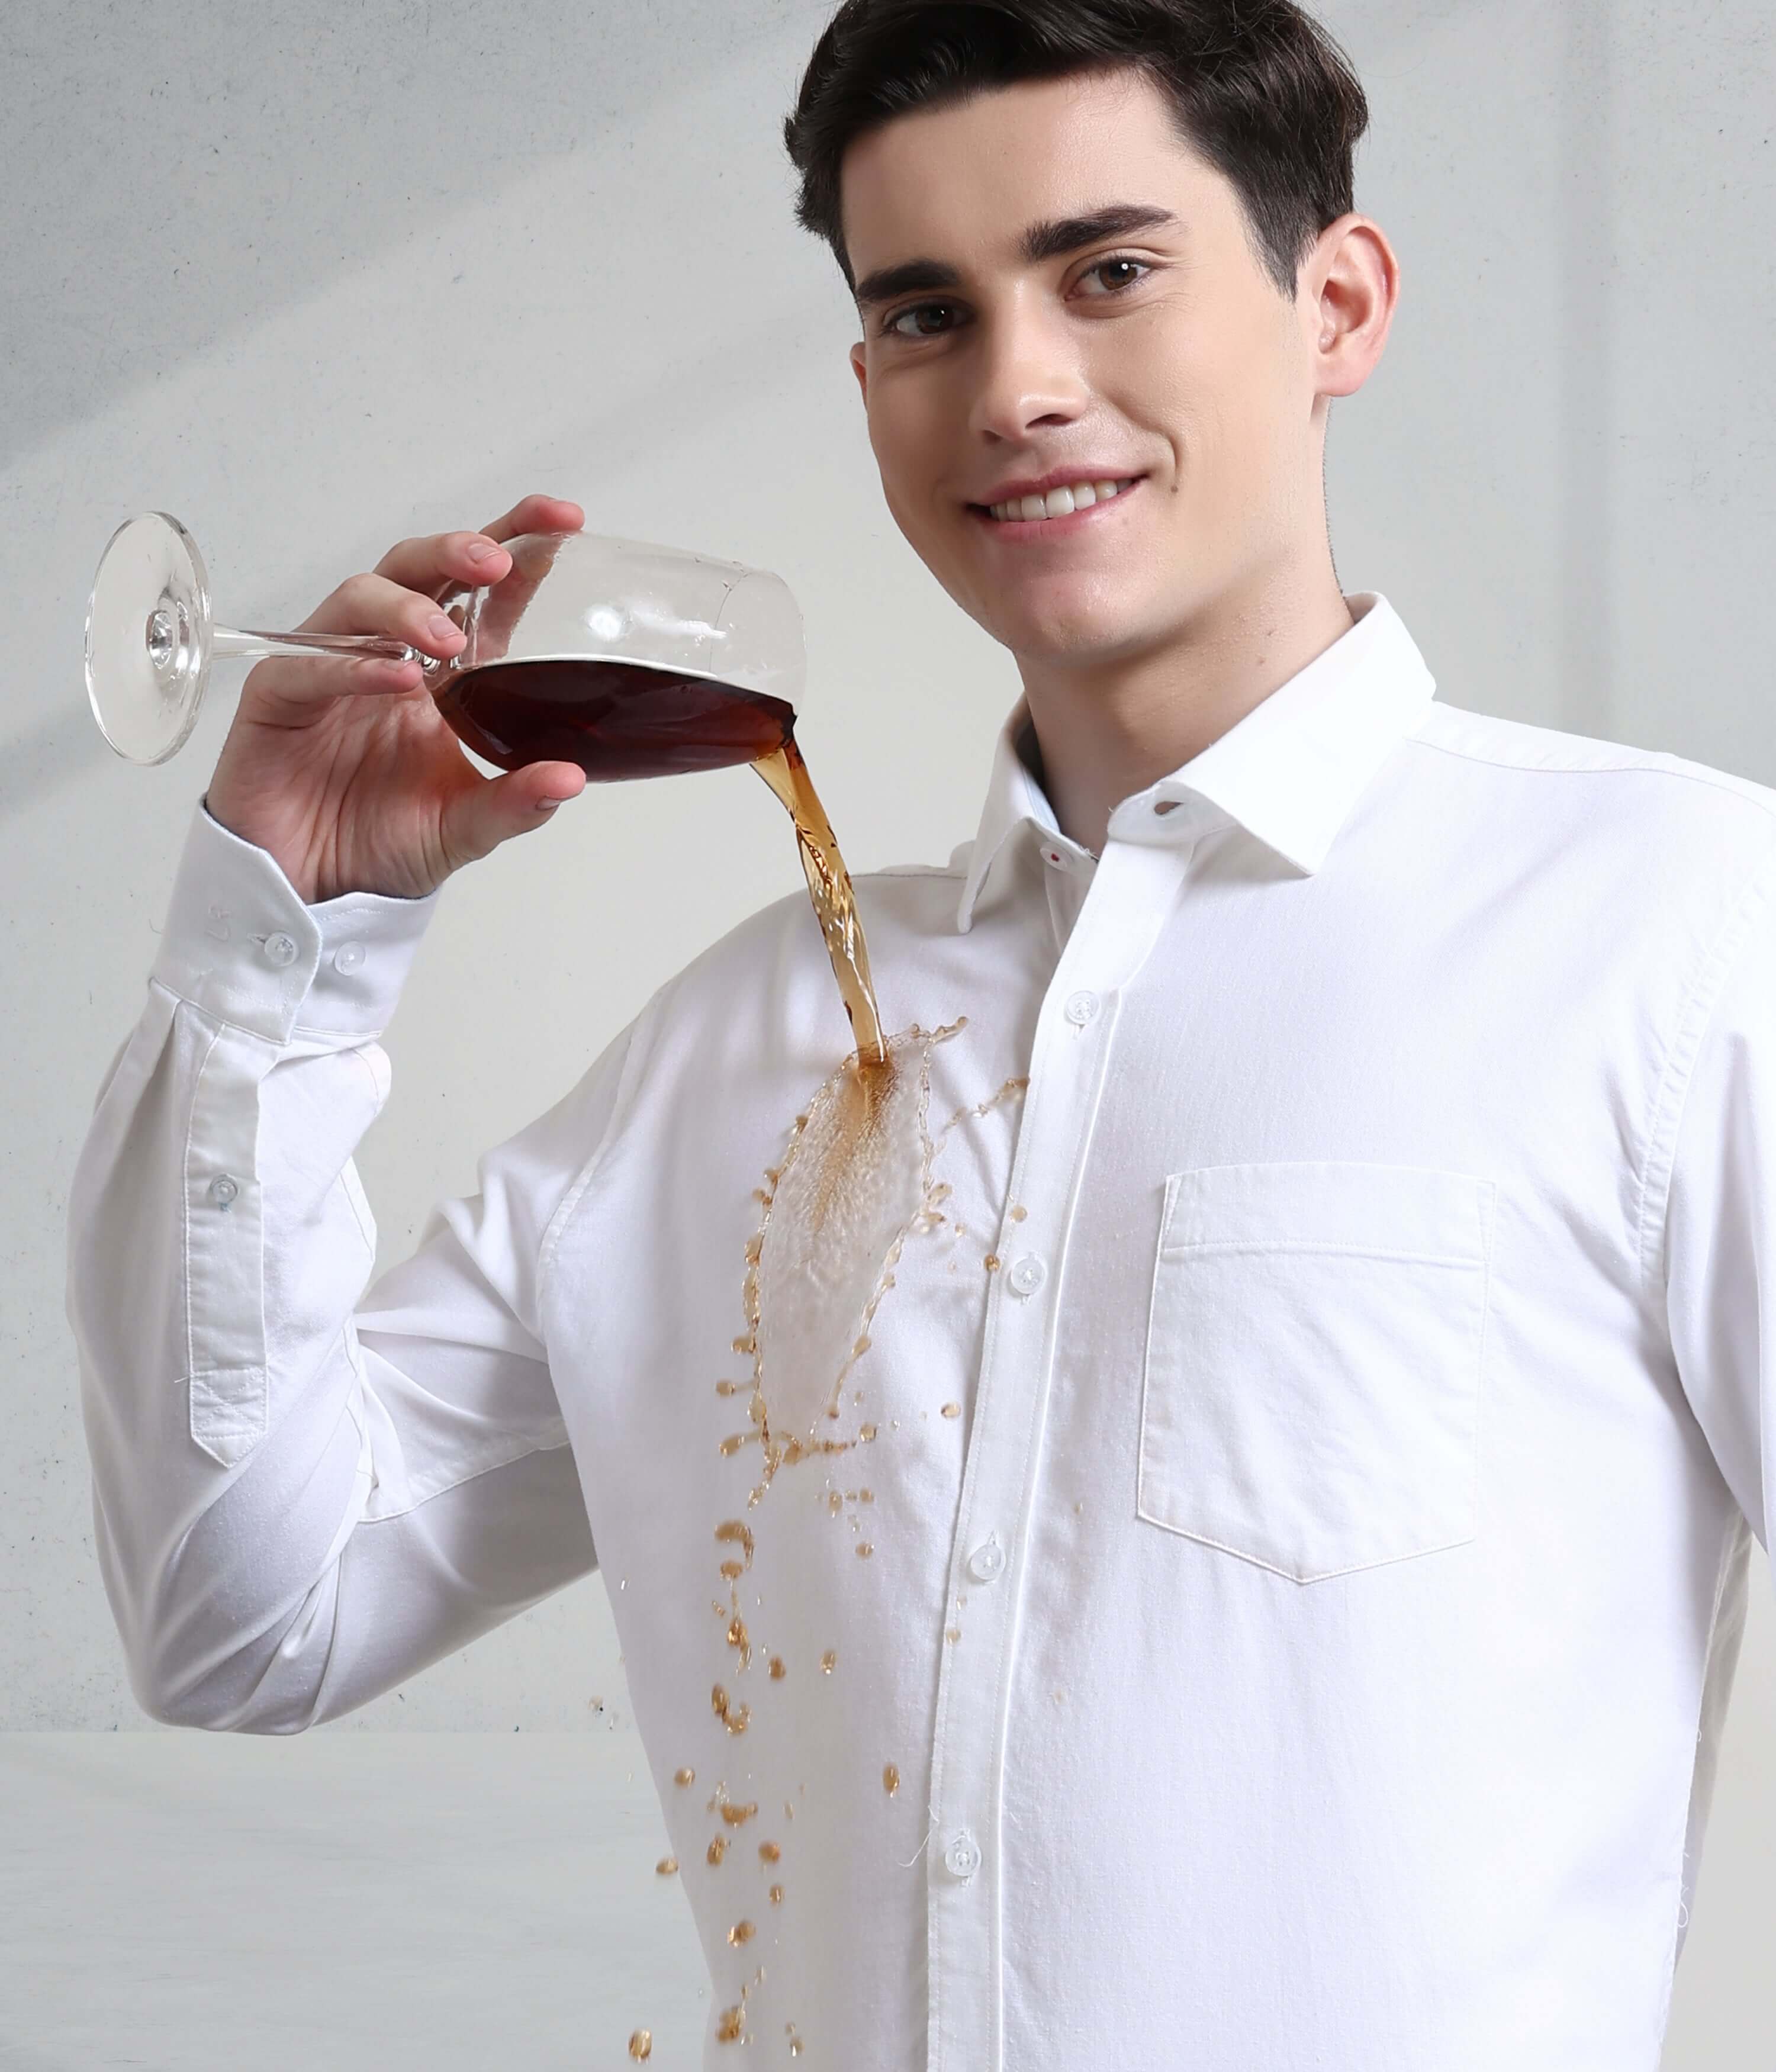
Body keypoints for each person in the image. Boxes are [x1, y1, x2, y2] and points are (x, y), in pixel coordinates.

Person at [63, 1, 1775, 2064]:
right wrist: (288, 935)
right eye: (927, 313)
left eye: (1110, 271)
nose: (1019, 389)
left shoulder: (1676, 932)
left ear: (1337, 300)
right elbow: (243, 1613)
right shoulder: (748, 1049)